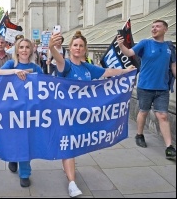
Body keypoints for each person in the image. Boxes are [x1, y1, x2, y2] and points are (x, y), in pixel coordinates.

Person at [49, 31, 136, 197]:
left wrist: (125, 71)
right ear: (70, 47)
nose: (78, 48)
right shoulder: (66, 65)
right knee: (69, 147)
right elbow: (58, 59)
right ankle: (72, 183)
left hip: (83, 116)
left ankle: (67, 168)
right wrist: (52, 47)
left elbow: (107, 72)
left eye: (81, 46)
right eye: (75, 45)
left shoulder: (88, 67)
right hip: (65, 114)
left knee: (72, 145)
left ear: (84, 49)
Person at [117, 19, 176, 159]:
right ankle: (139, 135)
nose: (154, 28)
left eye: (158, 26)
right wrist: (121, 45)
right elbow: (129, 52)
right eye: (153, 26)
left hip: (162, 88)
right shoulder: (145, 43)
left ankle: (169, 147)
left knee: (162, 115)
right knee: (143, 112)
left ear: (165, 29)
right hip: (145, 86)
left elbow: (173, 66)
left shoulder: (170, 47)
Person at [0, 38, 43, 188]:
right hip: (13, 110)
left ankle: (25, 173)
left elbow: (46, 84)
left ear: (31, 50)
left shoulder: (35, 67)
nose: (24, 50)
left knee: (26, 141)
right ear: (17, 50)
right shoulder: (12, 64)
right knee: (15, 139)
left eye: (27, 47)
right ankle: (13, 157)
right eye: (21, 47)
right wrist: (15, 71)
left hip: (29, 112)